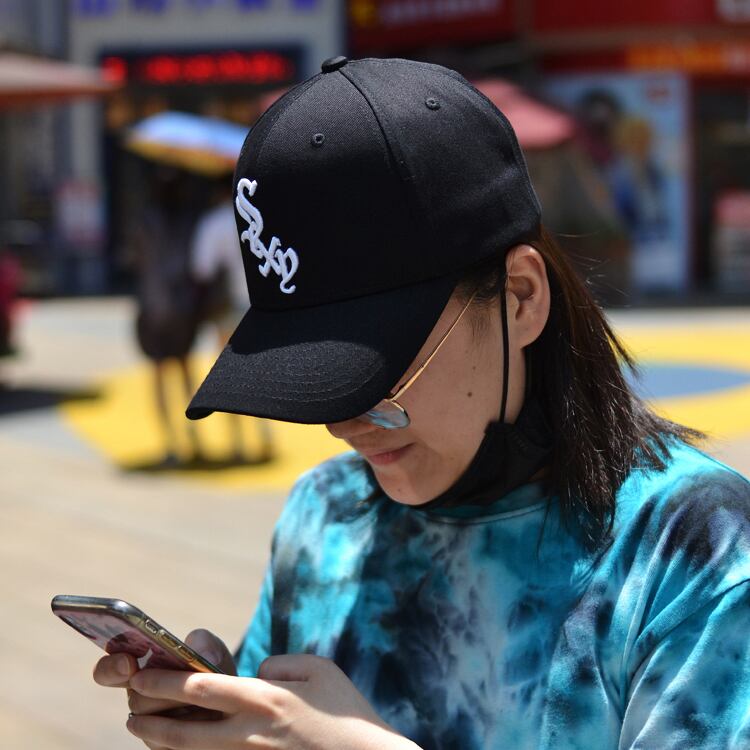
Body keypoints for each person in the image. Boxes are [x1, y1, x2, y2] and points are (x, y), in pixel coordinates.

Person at [93, 57, 750, 749]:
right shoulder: (326, 515)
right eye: (311, 381)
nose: (345, 424)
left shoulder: (691, 549)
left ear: (521, 298)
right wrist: (229, 722)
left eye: (379, 373)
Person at [190, 180, 274, 463]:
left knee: (230, 376)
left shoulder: (213, 223)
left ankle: (238, 444)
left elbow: (202, 267)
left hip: (226, 306)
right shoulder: (258, 216)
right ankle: (265, 436)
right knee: (259, 373)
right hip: (257, 304)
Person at [131, 167, 203, 466]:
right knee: (185, 372)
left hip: (154, 307)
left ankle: (171, 442)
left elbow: (137, 259)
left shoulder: (145, 221)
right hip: (182, 307)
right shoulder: (190, 221)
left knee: (160, 375)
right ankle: (194, 438)